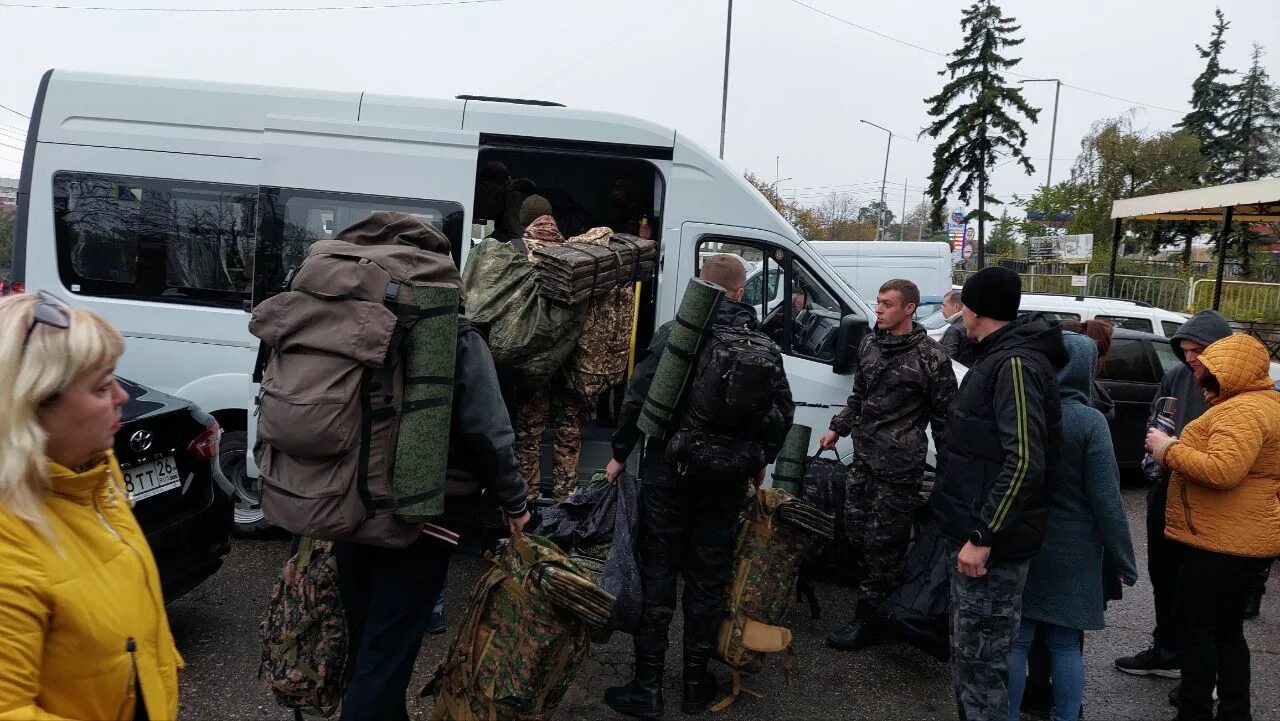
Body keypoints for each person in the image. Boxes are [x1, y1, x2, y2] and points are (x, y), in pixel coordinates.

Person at [330, 215, 531, 721]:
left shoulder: (342, 319)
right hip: (421, 519)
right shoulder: (453, 333)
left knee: (367, 645)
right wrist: (515, 501)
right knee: (387, 653)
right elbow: (489, 430)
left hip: (344, 505)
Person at [603, 255, 794, 719]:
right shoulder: (763, 344)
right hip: (727, 481)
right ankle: (693, 686)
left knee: (658, 574)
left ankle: (647, 687)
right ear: (739, 291)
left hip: (670, 474)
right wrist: (760, 461)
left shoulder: (679, 334)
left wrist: (620, 452)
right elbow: (781, 413)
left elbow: (639, 396)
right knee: (709, 581)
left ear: (700, 288)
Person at [0, 292, 182, 720]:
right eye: (102, 386)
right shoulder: (10, 549)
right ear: (31, 408)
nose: (122, 396)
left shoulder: (95, 475)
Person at [931, 266, 1067, 721]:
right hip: (977, 536)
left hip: (991, 548)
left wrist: (983, 534)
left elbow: (1025, 459)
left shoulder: (1014, 364)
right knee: (971, 663)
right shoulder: (999, 356)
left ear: (973, 310)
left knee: (982, 668)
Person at [1145, 333, 1280, 721]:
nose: (1196, 370)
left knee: (1198, 629)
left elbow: (1223, 470)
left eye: (1204, 365)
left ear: (1227, 371)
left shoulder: (1241, 411)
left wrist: (1166, 448)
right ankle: (1235, 711)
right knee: (1226, 630)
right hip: (1239, 538)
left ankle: (1195, 710)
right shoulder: (1261, 404)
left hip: (1220, 541)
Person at [1006, 331, 1138, 721]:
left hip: (1022, 541)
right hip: (1075, 550)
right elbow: (1107, 499)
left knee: (1018, 640)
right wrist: (1124, 559)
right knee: (1064, 643)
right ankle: (1064, 716)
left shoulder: (1022, 410)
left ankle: (1007, 714)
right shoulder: (1089, 421)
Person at [818, 278, 956, 651]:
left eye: (887, 304)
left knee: (885, 545)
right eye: (878, 302)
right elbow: (859, 394)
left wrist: (951, 469)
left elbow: (945, 419)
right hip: (863, 459)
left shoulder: (931, 357)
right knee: (855, 532)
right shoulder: (869, 344)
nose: (878, 309)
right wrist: (837, 428)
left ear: (908, 309)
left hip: (899, 469)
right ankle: (883, 599)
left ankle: (870, 619)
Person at [1114, 310, 1233, 683]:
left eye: (1199, 350)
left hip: (1211, 498)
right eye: (1185, 350)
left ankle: (1203, 672)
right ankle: (1166, 650)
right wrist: (1156, 460)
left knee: (1199, 589)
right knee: (1163, 576)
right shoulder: (1177, 375)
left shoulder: (1235, 388)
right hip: (1167, 488)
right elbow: (1158, 419)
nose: (1191, 358)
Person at [940, 288, 974, 364]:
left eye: (944, 306)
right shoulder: (971, 326)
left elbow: (948, 361)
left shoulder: (954, 330)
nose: (941, 310)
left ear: (956, 307)